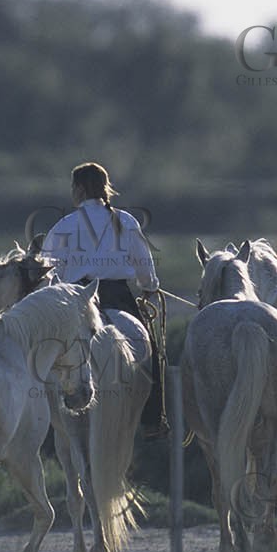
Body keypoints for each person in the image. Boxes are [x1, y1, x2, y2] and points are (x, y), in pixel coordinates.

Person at [41, 161, 169, 437]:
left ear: (79, 188)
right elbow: (144, 265)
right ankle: (152, 418)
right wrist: (150, 288)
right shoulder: (125, 221)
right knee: (152, 352)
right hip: (118, 296)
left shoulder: (65, 225)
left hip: (77, 300)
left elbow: (48, 270)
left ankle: (42, 412)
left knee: (48, 351)